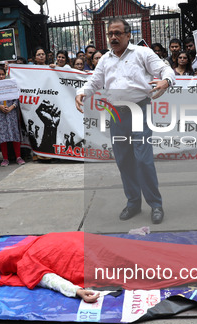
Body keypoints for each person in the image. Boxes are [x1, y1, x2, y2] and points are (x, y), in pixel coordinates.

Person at [75, 18, 175, 224]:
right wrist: (82, 92)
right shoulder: (105, 60)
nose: (113, 37)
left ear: (128, 35)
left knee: (143, 159)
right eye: (110, 33)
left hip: (139, 110)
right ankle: (133, 203)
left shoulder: (142, 53)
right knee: (123, 160)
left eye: (118, 33)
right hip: (116, 114)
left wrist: (166, 80)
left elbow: (165, 70)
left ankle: (155, 204)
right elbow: (94, 81)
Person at [0, 66, 24, 167]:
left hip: (11, 113)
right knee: (2, 136)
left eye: (2, 74)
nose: (1, 76)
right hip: (0, 114)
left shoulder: (11, 84)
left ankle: (18, 157)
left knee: (14, 134)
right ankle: (5, 158)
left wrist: (12, 107)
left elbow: (17, 99)